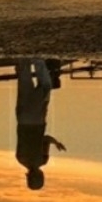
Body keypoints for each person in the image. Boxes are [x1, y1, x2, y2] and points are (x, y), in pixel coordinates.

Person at [14, 58, 66, 190]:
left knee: (45, 86)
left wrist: (56, 143)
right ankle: (23, 57)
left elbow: (45, 139)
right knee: (24, 83)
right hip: (22, 120)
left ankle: (38, 60)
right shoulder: (20, 159)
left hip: (36, 120)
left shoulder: (42, 160)